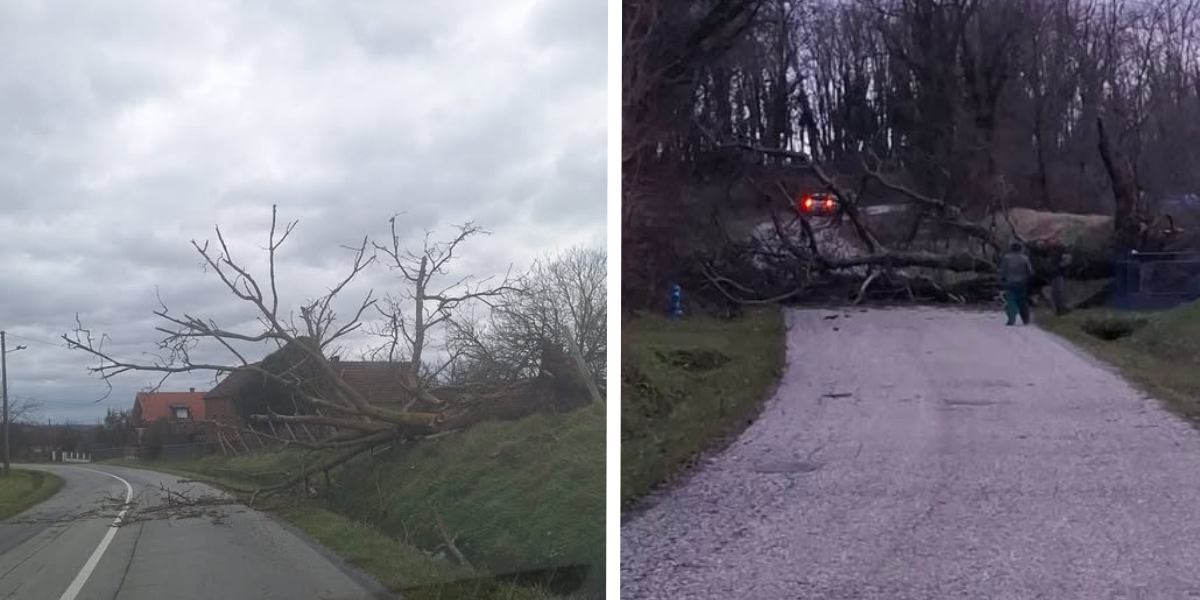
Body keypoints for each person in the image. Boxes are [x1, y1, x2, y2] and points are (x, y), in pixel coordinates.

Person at [999, 241, 1034, 325]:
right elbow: (1029, 271)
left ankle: (1011, 319)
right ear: (1021, 249)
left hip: (1010, 282)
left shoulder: (1006, 258)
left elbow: (1003, 270)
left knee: (1011, 300)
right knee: (1022, 300)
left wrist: (1002, 279)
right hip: (1022, 282)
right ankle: (1025, 318)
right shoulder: (1025, 258)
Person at [1049, 245, 1070, 316]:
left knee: (1057, 293)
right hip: (1055, 275)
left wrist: (1059, 267)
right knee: (1055, 294)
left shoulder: (1062, 252)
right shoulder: (1054, 253)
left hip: (1058, 275)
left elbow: (1066, 262)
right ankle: (1059, 309)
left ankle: (1061, 310)